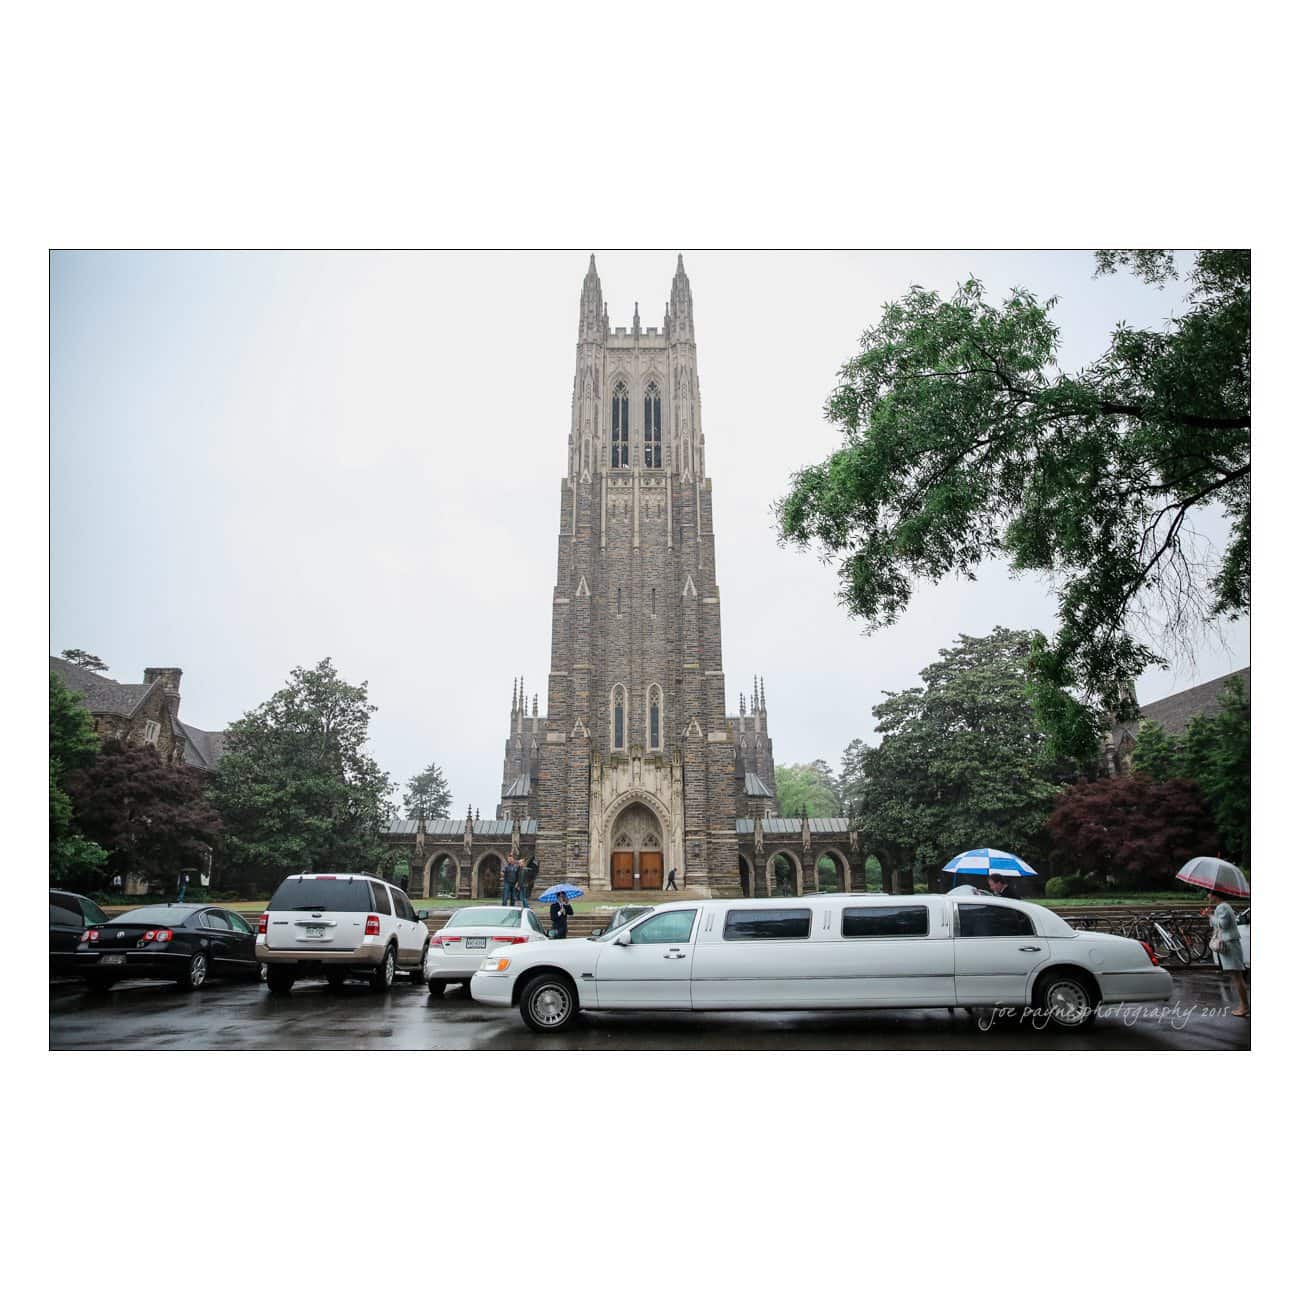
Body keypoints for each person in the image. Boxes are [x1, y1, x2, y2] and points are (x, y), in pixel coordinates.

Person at [1205, 889, 1249, 1017]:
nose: (1208, 896)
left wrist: (1210, 916)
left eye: (1209, 893)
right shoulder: (1224, 906)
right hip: (1231, 944)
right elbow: (1220, 924)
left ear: (1215, 895)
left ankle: (1245, 1006)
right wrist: (1211, 914)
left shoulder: (1222, 907)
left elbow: (1223, 925)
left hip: (1230, 945)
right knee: (1238, 977)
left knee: (1237, 977)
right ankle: (1244, 1005)